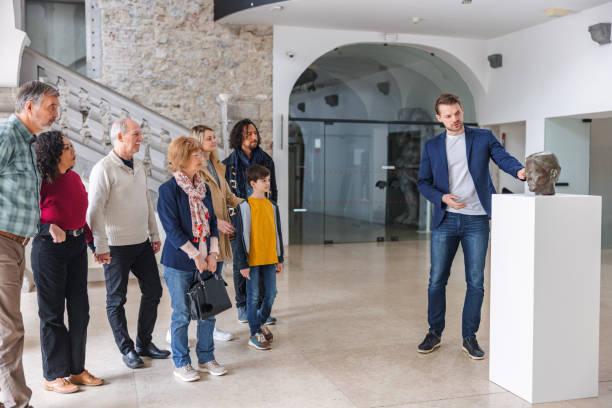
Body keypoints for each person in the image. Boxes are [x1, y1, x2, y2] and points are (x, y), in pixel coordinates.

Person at [416, 93, 526, 360]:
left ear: (462, 110)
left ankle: (469, 337)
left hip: (477, 220)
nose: (454, 119)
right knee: (436, 280)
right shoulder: (432, 146)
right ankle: (434, 332)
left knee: (475, 281)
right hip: (446, 219)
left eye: (457, 113)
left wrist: (520, 171)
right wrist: (441, 197)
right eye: (448, 115)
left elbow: (503, 157)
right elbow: (423, 182)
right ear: (439, 118)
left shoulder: (483, 137)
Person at [87, 118, 170, 369]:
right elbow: (94, 212)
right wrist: (100, 246)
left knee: (154, 291)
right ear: (120, 137)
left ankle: (144, 344)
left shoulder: (139, 166)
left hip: (141, 242)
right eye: (136, 134)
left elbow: (146, 201)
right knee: (116, 300)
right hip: (115, 247)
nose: (141, 139)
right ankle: (127, 349)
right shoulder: (103, 168)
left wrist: (154, 234)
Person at [0, 80, 59, 408]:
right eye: (51, 106)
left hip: (15, 244)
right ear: (29, 106)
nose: (56, 113)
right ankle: (17, 402)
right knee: (9, 329)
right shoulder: (7, 135)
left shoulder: (29, 144)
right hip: (1, 243)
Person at [31, 131, 103, 394]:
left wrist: (94, 244)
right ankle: (53, 375)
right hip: (49, 250)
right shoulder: (40, 181)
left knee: (80, 311)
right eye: (67, 147)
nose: (73, 151)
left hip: (75, 247)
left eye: (72, 146)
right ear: (53, 153)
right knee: (52, 314)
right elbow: (29, 213)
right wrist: (47, 225)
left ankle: (76, 370)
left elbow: (79, 215)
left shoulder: (73, 178)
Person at [157, 136, 227, 382]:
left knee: (209, 312)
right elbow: (172, 229)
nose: (202, 158)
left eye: (201, 154)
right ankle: (182, 363)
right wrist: (196, 255)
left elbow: (212, 223)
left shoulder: (203, 187)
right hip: (180, 263)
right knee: (182, 314)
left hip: (208, 259)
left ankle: (207, 358)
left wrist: (213, 254)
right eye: (197, 155)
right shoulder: (168, 190)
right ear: (182, 158)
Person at [188, 125, 244, 341]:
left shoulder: (216, 166)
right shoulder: (195, 169)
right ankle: (179, 327)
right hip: (204, 234)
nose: (214, 141)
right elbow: (195, 204)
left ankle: (210, 327)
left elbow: (228, 197)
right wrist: (216, 221)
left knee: (213, 281)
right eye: (209, 138)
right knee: (199, 283)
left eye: (214, 137)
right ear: (197, 142)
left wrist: (251, 205)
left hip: (219, 236)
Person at [223, 119, 278, 325]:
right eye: (248, 134)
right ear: (239, 137)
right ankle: (243, 307)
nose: (254, 137)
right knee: (241, 264)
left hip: (262, 220)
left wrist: (274, 217)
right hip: (240, 220)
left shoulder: (266, 160)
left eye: (255, 133)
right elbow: (225, 195)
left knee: (263, 263)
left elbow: (274, 191)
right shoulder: (227, 164)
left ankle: (262, 307)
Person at [233, 164, 284, 350]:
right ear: (253, 183)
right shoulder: (244, 207)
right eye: (263, 181)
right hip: (252, 262)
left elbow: (277, 233)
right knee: (252, 297)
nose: (267, 183)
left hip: (270, 259)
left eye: (268, 180)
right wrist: (242, 264)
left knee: (270, 294)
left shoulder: (273, 206)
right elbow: (239, 238)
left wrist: (279, 258)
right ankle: (254, 332)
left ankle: (260, 322)